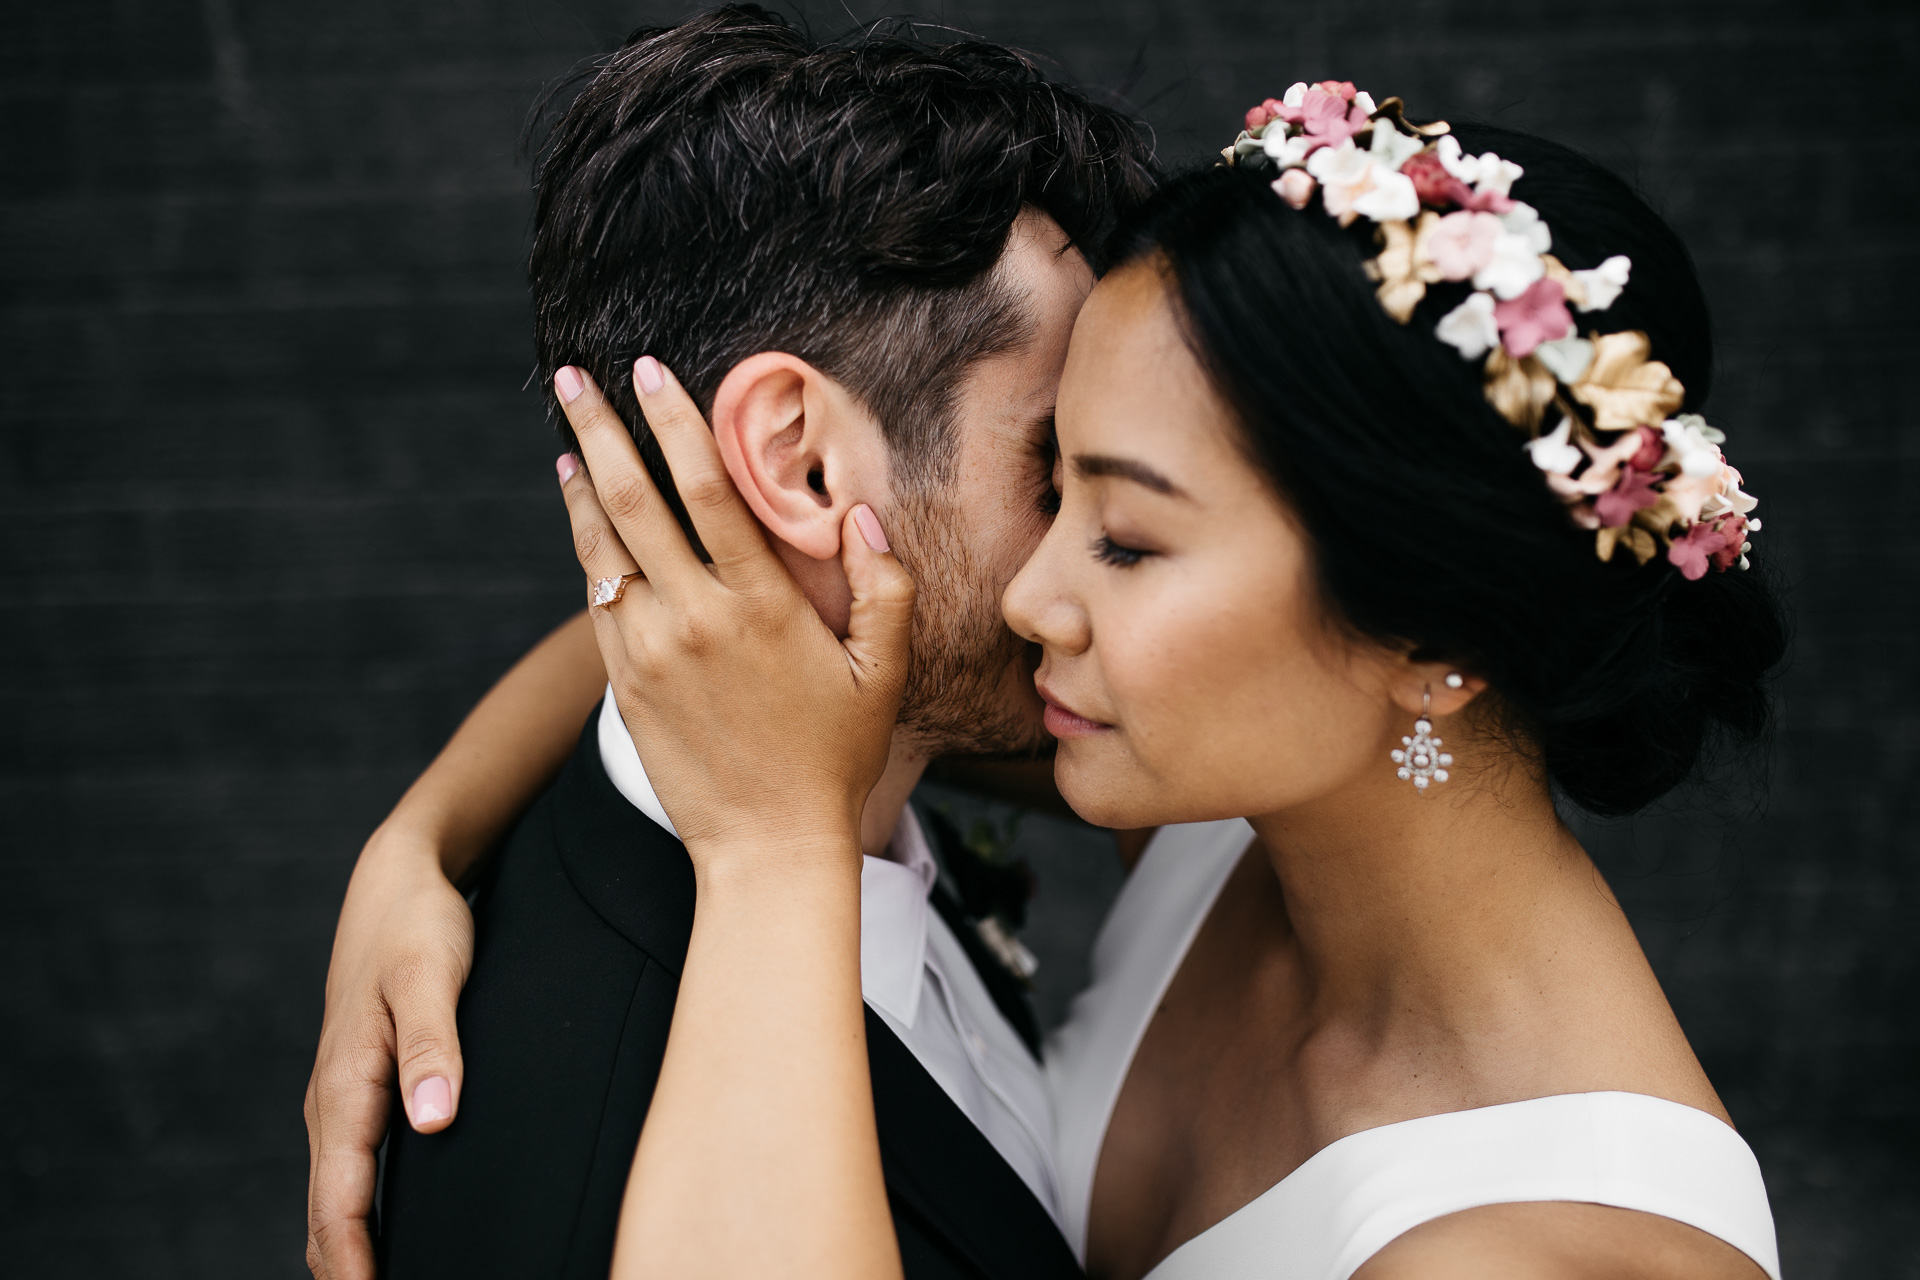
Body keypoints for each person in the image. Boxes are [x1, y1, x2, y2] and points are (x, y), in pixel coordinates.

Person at [543, 85, 1789, 1279]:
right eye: (1054, 480)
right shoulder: (1235, 806)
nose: (1032, 597)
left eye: (1129, 540)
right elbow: (761, 663)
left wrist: (770, 848)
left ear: (1429, 633)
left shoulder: (1546, 1251)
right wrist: (426, 831)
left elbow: (771, 728)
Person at [300, 8, 1154, 1279]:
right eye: (1053, 465)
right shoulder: (590, 1162)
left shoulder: (882, 742)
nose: (1106, 547)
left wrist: (416, 829)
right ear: (800, 463)